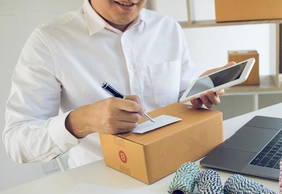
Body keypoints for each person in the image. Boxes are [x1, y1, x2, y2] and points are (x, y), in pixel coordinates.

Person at [3, 0, 230, 168]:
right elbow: (17, 142)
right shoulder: (49, 40)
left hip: (176, 165)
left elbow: (181, 95)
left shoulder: (168, 28)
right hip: (101, 178)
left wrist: (197, 92)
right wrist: (82, 121)